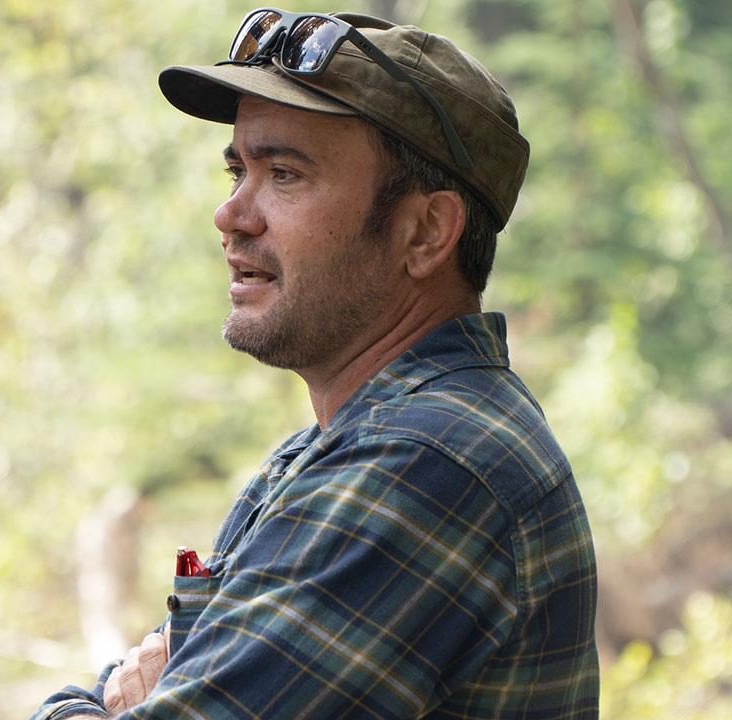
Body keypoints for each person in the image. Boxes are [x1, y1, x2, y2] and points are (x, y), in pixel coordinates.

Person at [31, 9, 599, 720]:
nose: (231, 213)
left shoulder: (422, 466)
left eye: (286, 173)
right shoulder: (323, 456)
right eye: (239, 169)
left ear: (425, 232)